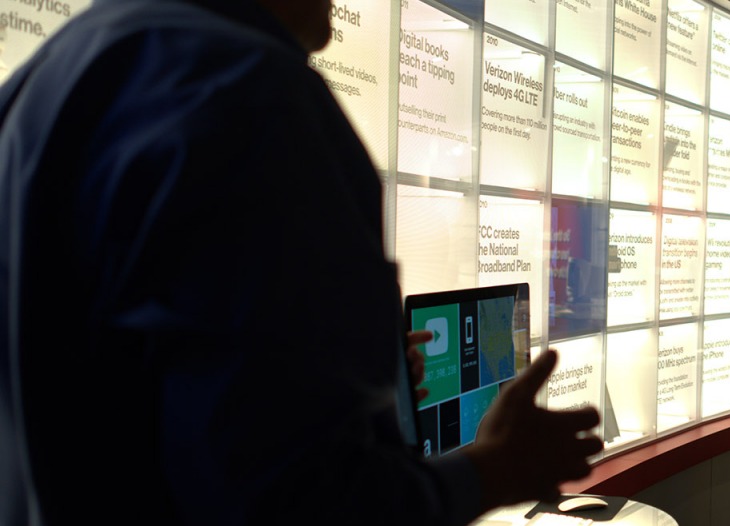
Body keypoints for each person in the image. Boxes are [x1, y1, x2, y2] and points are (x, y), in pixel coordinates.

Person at [0, 1, 604, 524]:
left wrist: (345, 384)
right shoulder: (250, 94)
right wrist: (490, 471)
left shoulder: (38, 88)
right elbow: (294, 501)